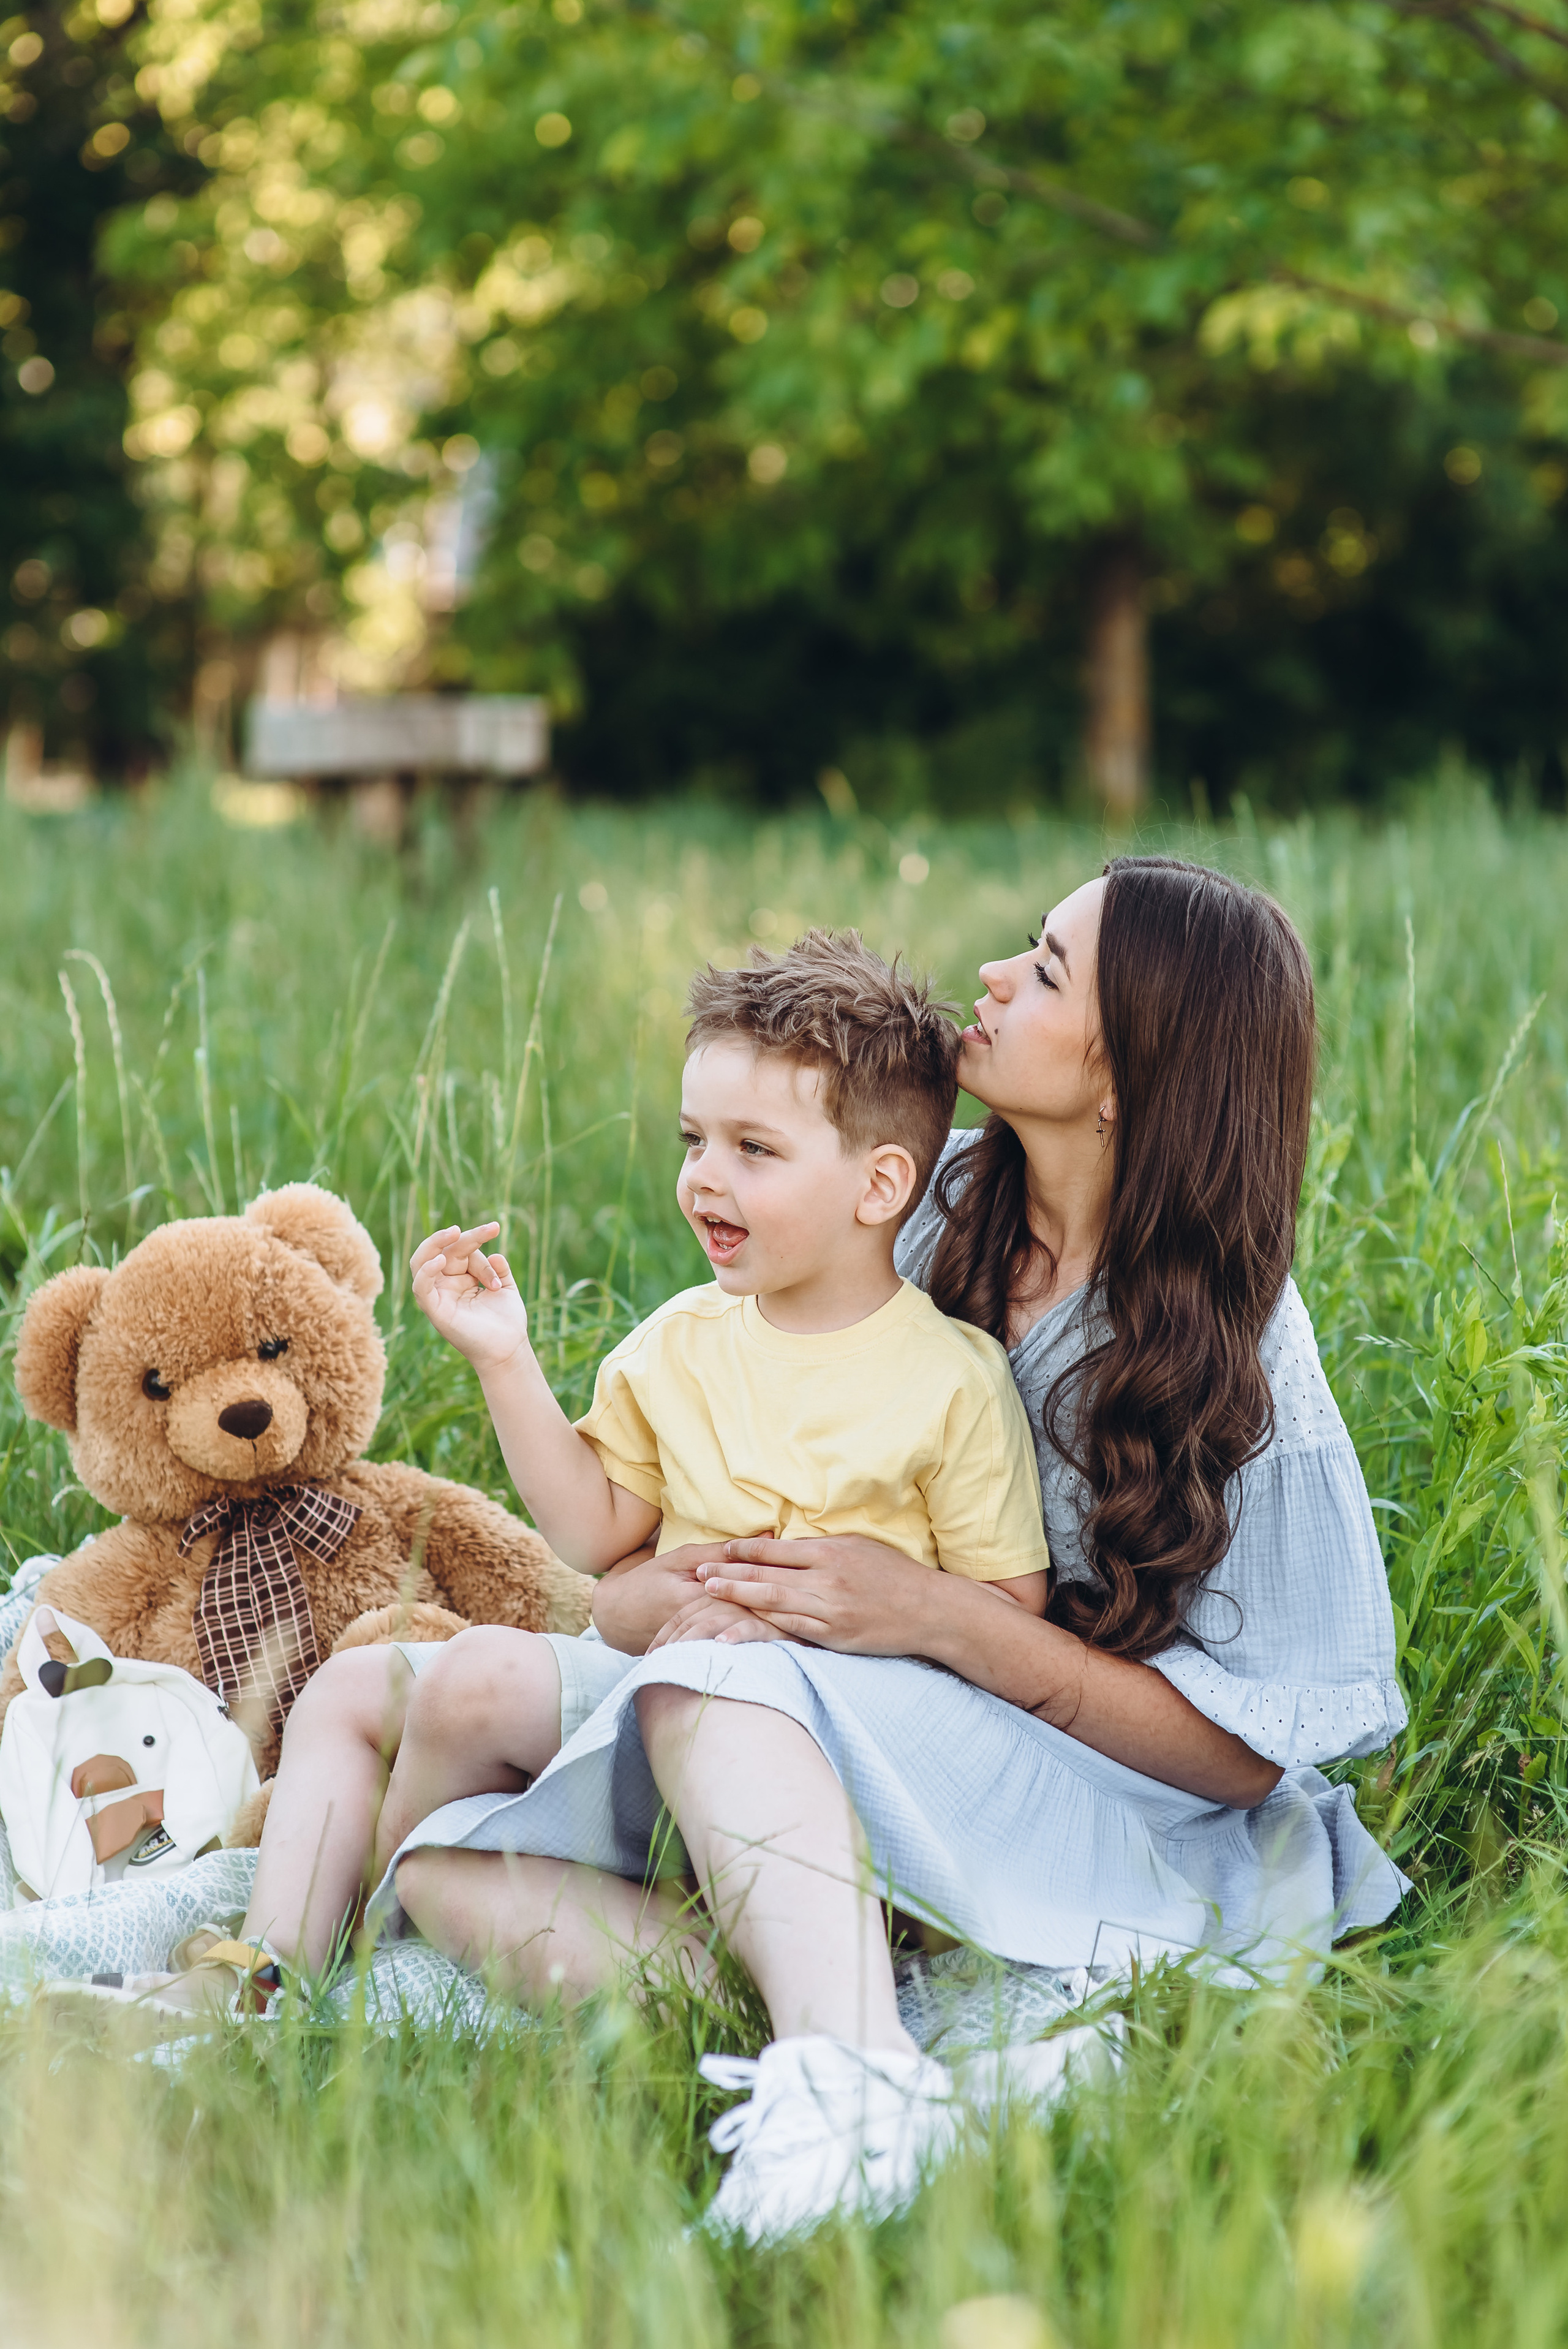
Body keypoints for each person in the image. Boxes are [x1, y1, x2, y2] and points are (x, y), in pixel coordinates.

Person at [372, 855, 1408, 2244]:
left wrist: (932, 1616)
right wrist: (655, 1593)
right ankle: (850, 2015)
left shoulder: (1240, 1344)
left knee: (710, 1688)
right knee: (440, 1855)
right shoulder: (928, 1205)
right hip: (847, 1705)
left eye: (1046, 970)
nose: (994, 975)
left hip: (1096, 1794)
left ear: (1123, 1074)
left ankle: (847, 2082)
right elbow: (709, 1479)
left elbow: (1240, 1757)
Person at [72, 930, 1051, 2037]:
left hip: (804, 1751)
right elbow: (593, 1531)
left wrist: (823, 1622)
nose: (705, 1175)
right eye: (693, 1138)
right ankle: (268, 1965)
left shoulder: (950, 1380)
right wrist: (505, 1358)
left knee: (480, 1677)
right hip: (644, 1697)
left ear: (879, 1184)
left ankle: (384, 1897)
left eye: (754, 1149)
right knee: (351, 1690)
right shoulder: (683, 1341)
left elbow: (1002, 1617)